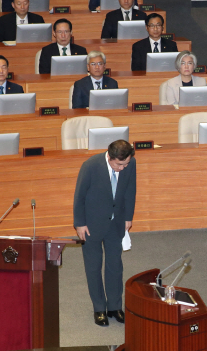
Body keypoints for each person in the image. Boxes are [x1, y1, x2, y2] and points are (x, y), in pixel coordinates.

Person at [74, 139, 136, 326]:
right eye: (119, 164)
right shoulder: (91, 166)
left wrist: (128, 216)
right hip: (91, 225)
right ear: (109, 157)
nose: (123, 168)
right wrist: (79, 223)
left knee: (115, 266)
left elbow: (130, 191)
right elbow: (79, 196)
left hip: (115, 222)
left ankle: (115, 306)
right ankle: (99, 308)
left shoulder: (130, 163)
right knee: (93, 267)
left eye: (125, 164)